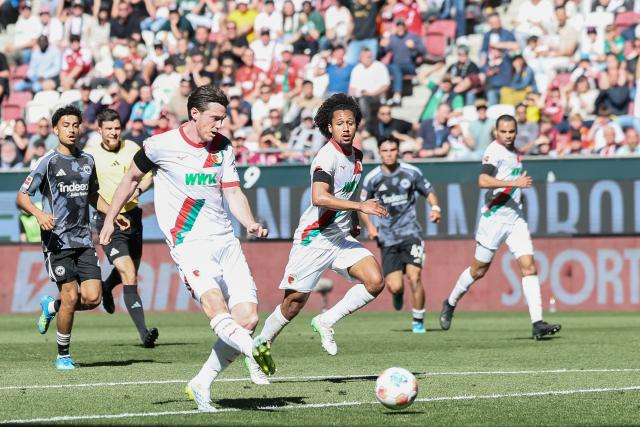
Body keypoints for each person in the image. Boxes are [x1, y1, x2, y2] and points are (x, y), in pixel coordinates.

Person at [98, 85, 275, 412]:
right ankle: (254, 350)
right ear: (194, 113)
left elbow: (233, 193)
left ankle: (202, 382)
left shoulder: (223, 147)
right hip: (189, 244)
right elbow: (130, 179)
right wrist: (110, 218)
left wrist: (249, 223)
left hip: (226, 241)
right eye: (215, 118)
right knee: (214, 304)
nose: (220, 125)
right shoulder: (159, 145)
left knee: (247, 318)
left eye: (223, 119)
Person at [256, 93, 388, 356]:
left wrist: (351, 220)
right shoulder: (326, 157)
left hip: (338, 236)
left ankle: (326, 320)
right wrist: (360, 207)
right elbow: (320, 197)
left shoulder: (357, 157)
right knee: (294, 303)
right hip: (314, 237)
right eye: (340, 123)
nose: (346, 128)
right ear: (330, 127)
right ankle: (260, 345)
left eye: (350, 122)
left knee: (375, 281)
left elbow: (346, 193)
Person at [15, 105, 129, 370]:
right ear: (56, 130)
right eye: (65, 125)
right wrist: (38, 214)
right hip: (57, 242)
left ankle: (51, 307)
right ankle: (63, 355)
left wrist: (114, 214)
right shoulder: (48, 161)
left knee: (93, 298)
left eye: (75, 125)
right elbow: (22, 197)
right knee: (70, 296)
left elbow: (92, 196)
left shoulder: (87, 161)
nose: (71, 130)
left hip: (84, 240)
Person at [439, 115, 562, 340]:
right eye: (503, 132)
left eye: (511, 131)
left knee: (529, 267)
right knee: (478, 270)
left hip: (516, 219)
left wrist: (518, 193)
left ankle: (537, 323)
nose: (508, 135)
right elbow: (482, 181)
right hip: (494, 219)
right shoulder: (494, 151)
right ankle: (450, 302)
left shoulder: (515, 152)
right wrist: (515, 184)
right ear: (496, 132)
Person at [84, 108, 158, 348]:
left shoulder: (133, 149)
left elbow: (149, 176)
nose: (114, 133)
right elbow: (88, 193)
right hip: (108, 221)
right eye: (109, 129)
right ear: (99, 130)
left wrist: (138, 190)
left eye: (117, 128)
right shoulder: (90, 157)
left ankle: (107, 286)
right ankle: (144, 333)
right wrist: (111, 215)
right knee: (128, 272)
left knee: (130, 270)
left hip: (133, 219)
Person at [358, 137, 441, 333]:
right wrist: (369, 225)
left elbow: (428, 191)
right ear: (379, 153)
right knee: (394, 286)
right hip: (387, 237)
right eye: (385, 150)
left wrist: (435, 207)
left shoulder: (411, 172)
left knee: (415, 276)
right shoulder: (372, 178)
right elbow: (362, 206)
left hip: (410, 232)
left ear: (398, 151)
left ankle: (418, 320)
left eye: (393, 150)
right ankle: (398, 294)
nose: (389, 154)